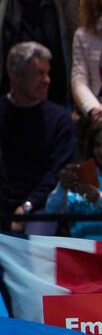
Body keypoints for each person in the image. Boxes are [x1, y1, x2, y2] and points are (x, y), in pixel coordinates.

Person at [0, 42, 76, 226]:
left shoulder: (60, 120)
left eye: (47, 73)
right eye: (38, 73)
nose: (47, 80)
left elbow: (58, 172)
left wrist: (28, 206)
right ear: (15, 75)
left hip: (42, 209)